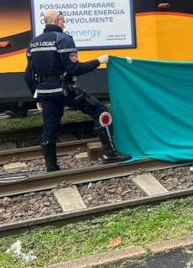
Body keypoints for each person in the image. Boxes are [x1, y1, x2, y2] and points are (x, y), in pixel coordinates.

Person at [24, 9, 130, 172]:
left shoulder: (33, 43)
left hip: (45, 93)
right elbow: (74, 69)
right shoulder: (63, 39)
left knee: (50, 127)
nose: (65, 22)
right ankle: (110, 153)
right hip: (63, 90)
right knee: (100, 111)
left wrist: (37, 97)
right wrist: (98, 61)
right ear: (57, 20)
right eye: (63, 19)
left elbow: (29, 75)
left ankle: (51, 167)